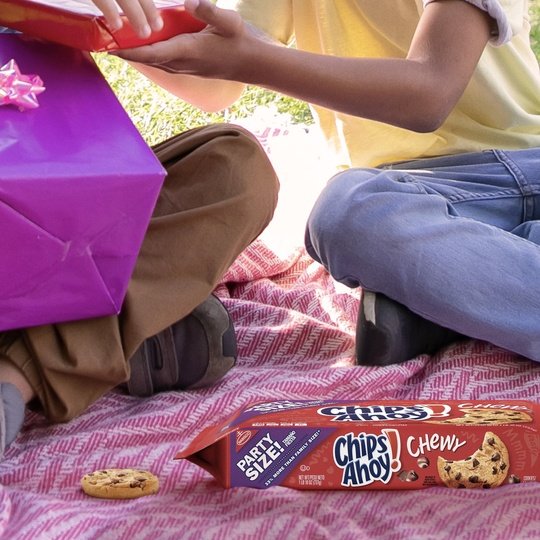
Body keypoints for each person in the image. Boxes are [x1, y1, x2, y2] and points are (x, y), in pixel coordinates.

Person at [102, 0, 540, 367]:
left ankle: (448, 300)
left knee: (348, 207)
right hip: (410, 196)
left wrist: (252, 61)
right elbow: (221, 81)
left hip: (518, 165)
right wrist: (112, 31)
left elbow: (429, 92)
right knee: (348, 215)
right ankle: (466, 295)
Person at [0, 15, 279, 455]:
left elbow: (220, 89)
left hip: (59, 211)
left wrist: (110, 25)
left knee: (234, 170)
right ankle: (74, 351)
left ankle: (20, 371)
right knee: (192, 331)